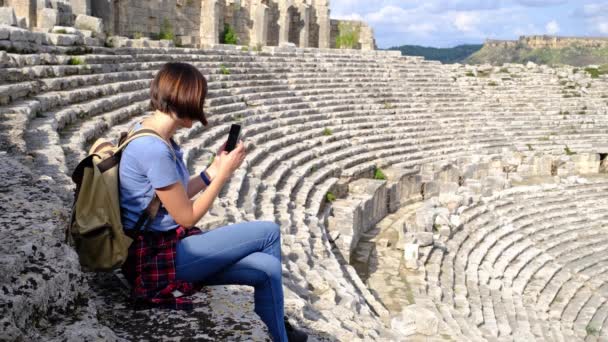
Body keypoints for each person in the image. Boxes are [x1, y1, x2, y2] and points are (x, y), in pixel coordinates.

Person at [118, 62, 308, 342]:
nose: (202, 106)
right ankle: (282, 333)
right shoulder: (153, 149)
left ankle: (280, 333)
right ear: (186, 100)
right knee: (269, 232)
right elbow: (187, 216)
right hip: (155, 258)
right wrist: (225, 175)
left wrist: (212, 171)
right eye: (199, 99)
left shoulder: (152, 133)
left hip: (165, 246)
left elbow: (173, 193)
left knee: (267, 271)